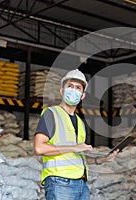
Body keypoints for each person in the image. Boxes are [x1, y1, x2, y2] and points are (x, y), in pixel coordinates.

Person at [34, 69, 118, 200]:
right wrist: (74, 147)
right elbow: (39, 148)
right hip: (60, 183)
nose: (73, 90)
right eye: (70, 86)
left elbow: (77, 158)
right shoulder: (51, 114)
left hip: (81, 184)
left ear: (82, 95)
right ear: (62, 91)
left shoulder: (80, 122)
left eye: (78, 88)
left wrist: (102, 159)